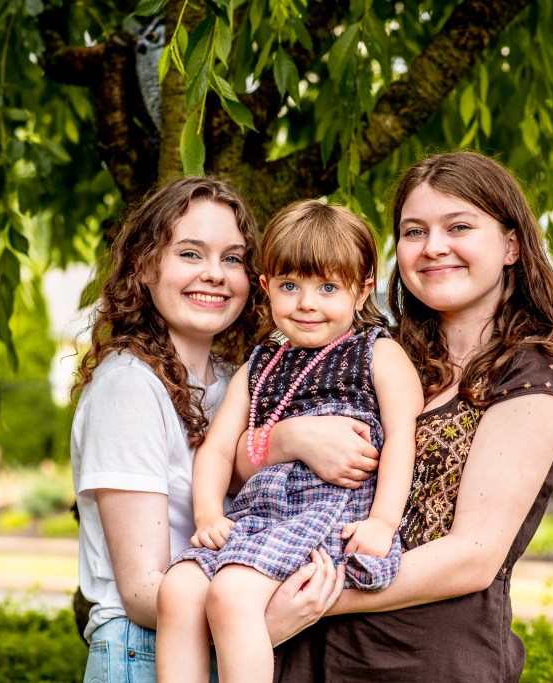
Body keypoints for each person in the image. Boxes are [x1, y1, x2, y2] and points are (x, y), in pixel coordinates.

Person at [261, 150, 553, 682]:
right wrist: (290, 438)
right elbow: (241, 465)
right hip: (307, 654)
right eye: (414, 231)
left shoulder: (532, 373)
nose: (434, 247)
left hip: (426, 662)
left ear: (511, 245)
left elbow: (472, 556)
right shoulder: (374, 354)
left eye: (459, 226)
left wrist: (310, 598)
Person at [70, 178, 342, 683]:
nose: (215, 275)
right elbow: (141, 589)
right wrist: (264, 616)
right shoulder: (129, 387)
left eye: (233, 258)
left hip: (219, 641)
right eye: (191, 254)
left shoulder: (237, 378)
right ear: (145, 266)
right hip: (143, 651)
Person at [155, 200, 423, 683]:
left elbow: (403, 438)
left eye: (327, 287)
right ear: (266, 288)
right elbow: (217, 449)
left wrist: (384, 521)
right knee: (177, 589)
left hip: (328, 513)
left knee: (231, 595)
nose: (307, 303)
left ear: (362, 292)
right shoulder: (260, 365)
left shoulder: (378, 354)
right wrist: (209, 513)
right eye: (290, 286)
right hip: (258, 517)